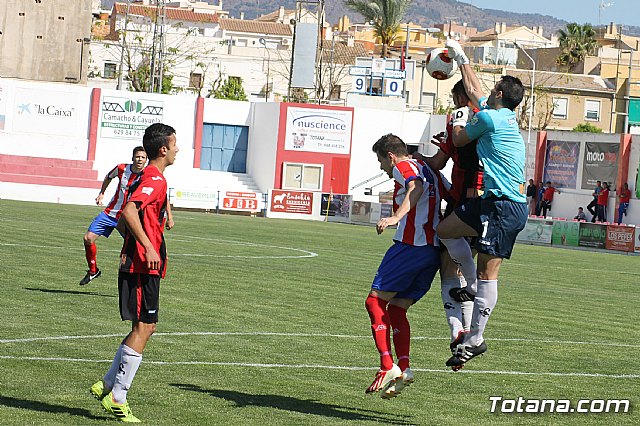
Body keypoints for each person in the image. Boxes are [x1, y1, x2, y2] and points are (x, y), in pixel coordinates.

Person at [433, 38, 528, 368]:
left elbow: (459, 137)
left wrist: (458, 118)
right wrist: (461, 58)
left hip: (505, 206)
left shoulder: (491, 118)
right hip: (491, 203)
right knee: (445, 230)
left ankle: (475, 339)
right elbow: (475, 90)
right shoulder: (498, 116)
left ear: (499, 94)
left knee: (490, 275)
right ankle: (470, 284)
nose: (487, 90)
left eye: (495, 87)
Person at [89, 123, 179, 422]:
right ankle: (118, 397)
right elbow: (128, 211)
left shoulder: (151, 178)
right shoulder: (153, 178)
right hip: (141, 264)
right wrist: (148, 247)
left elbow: (130, 217)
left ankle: (107, 383)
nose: (178, 149)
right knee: (144, 327)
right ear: (163, 149)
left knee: (145, 327)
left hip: (141, 263)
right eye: (175, 144)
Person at [365, 133, 448, 399]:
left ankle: (386, 365)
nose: (381, 167)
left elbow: (416, 188)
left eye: (380, 161)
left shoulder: (404, 166)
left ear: (390, 156)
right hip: (432, 251)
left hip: (411, 246)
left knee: (374, 303)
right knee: (398, 309)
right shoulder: (429, 169)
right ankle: (404, 367)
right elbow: (447, 192)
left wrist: (395, 217)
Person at [414, 79, 482, 368]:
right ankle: (463, 342)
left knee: (450, 274)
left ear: (459, 97)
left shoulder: (459, 123)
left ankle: (459, 331)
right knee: (462, 275)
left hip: (463, 203)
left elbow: (438, 162)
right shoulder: (491, 125)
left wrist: (416, 157)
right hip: (490, 203)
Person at [80, 147, 148, 286]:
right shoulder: (122, 168)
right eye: (137, 156)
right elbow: (108, 176)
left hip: (129, 218)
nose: (139, 159)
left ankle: (140, 280)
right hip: (110, 213)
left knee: (137, 247)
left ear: (146, 160)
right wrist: (101, 193)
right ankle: (93, 270)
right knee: (88, 238)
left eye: (142, 157)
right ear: (132, 158)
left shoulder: (147, 175)